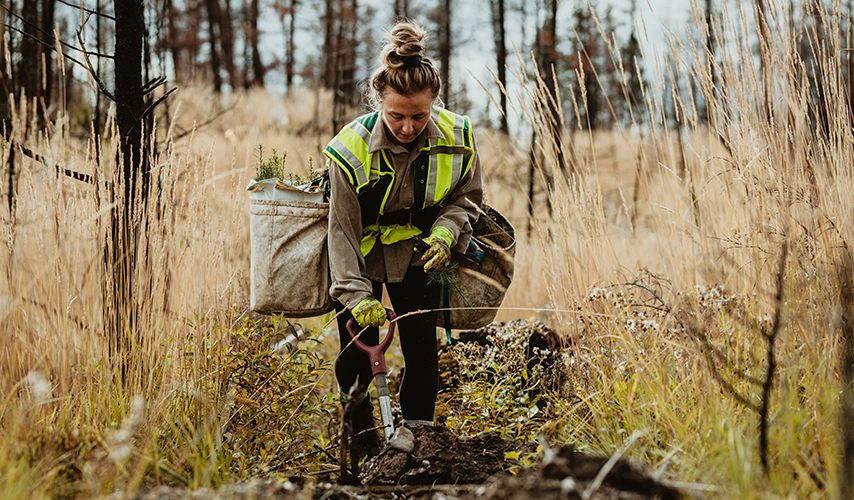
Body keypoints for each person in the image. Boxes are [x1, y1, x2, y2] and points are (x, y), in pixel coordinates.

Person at [322, 20, 483, 462]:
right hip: (362, 259)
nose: (408, 126)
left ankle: (417, 447)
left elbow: (467, 199)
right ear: (378, 103)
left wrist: (447, 232)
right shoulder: (349, 150)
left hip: (421, 254)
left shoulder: (459, 138)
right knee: (356, 357)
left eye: (419, 115)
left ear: (434, 103)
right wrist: (355, 297)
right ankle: (360, 447)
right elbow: (342, 232)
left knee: (422, 354)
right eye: (396, 116)